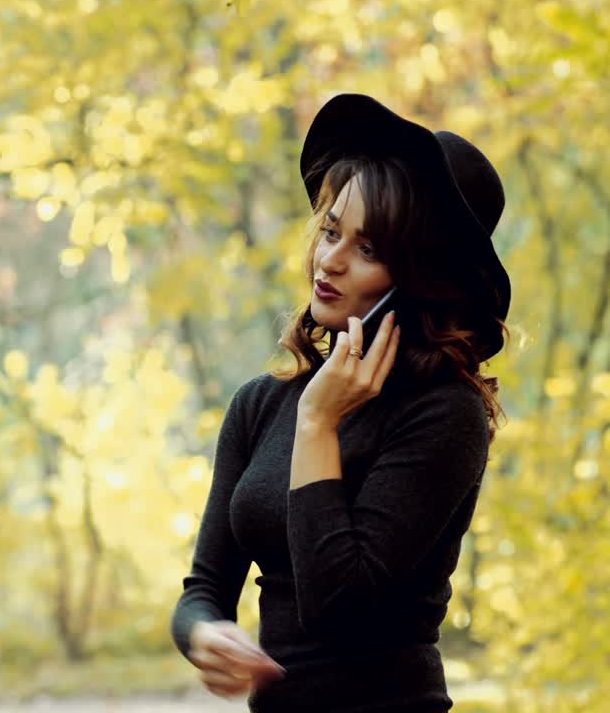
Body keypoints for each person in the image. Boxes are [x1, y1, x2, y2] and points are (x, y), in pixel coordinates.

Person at [169, 93, 511, 712]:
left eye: (369, 249)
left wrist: (320, 424)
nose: (330, 260)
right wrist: (203, 633)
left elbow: (337, 608)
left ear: (419, 280)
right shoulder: (261, 405)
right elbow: (204, 589)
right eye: (331, 230)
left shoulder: (444, 415)